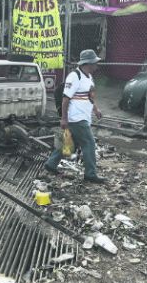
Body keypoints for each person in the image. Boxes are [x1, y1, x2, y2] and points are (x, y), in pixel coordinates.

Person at [45, 49, 106, 183]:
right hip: (77, 118)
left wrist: (95, 109)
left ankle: (51, 164)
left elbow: (89, 96)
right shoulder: (74, 76)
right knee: (89, 143)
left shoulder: (89, 77)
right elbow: (65, 99)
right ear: (88, 63)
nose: (96, 66)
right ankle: (90, 174)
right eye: (95, 63)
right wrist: (64, 118)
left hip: (84, 117)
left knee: (70, 143)